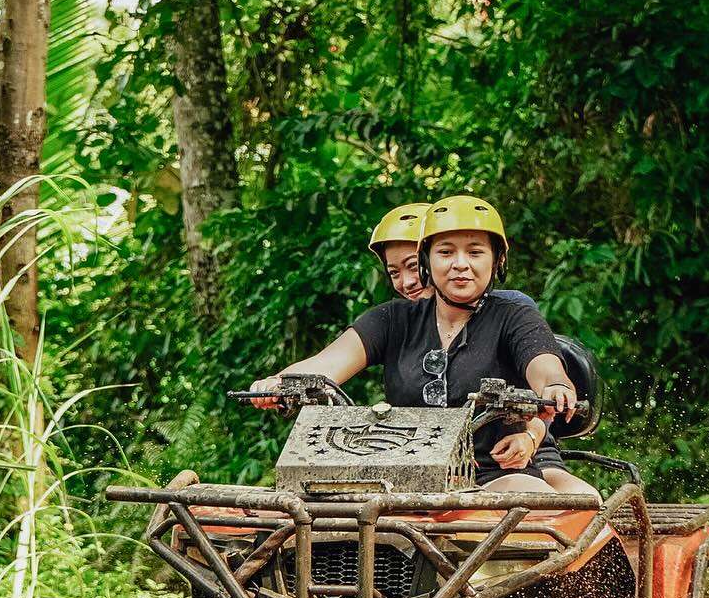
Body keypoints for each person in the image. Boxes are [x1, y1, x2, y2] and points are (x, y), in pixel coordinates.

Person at [250, 196, 593, 495]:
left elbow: (543, 363)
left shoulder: (514, 314)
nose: (460, 264)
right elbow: (327, 364)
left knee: (549, 501)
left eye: (475, 252)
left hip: (493, 473)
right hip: (403, 478)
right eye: (446, 252)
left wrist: (555, 388)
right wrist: (279, 382)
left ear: (496, 260)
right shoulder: (391, 319)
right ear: (430, 260)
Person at [364, 203, 598, 498]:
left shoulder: (509, 312)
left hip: (517, 450)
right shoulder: (395, 320)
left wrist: (531, 434)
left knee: (578, 501)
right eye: (394, 272)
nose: (408, 282)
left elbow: (543, 375)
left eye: (412, 266)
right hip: (428, 462)